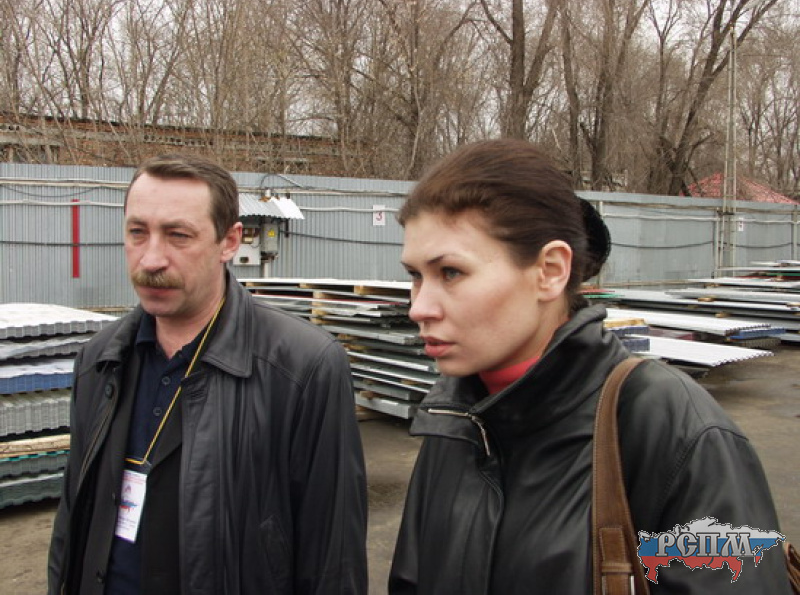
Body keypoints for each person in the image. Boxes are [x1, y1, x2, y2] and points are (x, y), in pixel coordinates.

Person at [389, 139, 792, 594]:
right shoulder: (452, 418)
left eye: (450, 273)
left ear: (550, 271)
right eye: (415, 275)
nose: (419, 307)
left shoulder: (672, 428)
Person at [48, 154, 368, 595]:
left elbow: (333, 559)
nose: (151, 259)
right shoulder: (99, 360)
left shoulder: (303, 368)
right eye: (137, 232)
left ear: (229, 241)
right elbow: (72, 516)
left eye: (178, 235)